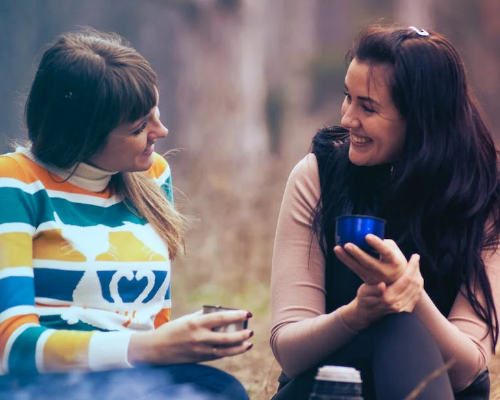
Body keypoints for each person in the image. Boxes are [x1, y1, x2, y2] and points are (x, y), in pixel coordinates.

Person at [0, 28, 253, 400]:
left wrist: (180, 343)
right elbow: (13, 347)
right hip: (49, 384)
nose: (161, 131)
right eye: (138, 127)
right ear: (83, 135)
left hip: (139, 375)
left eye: (155, 113)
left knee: (227, 391)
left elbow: (155, 316)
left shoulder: (151, 176)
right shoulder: (17, 182)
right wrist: (150, 348)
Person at [270, 24, 500, 400]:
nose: (347, 119)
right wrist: (357, 314)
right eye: (348, 97)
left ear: (421, 119)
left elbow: (466, 368)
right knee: (389, 328)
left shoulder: (484, 193)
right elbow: (290, 351)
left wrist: (411, 297)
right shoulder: (318, 177)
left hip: (438, 389)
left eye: (368, 107)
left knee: (403, 328)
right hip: (327, 387)